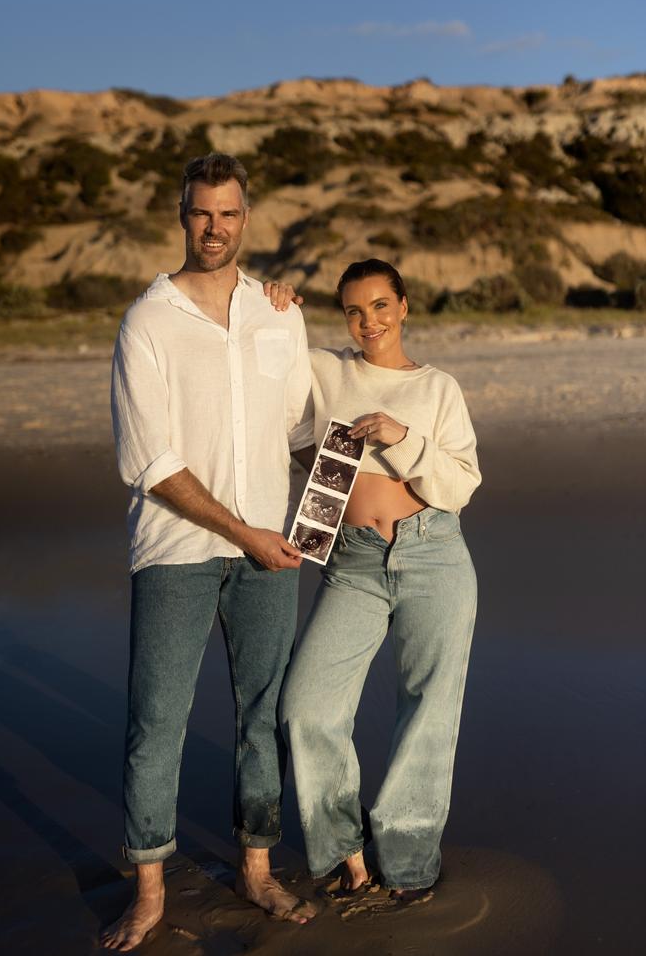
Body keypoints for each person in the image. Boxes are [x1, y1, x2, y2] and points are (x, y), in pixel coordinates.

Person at [102, 152, 316, 951]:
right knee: (156, 721)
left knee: (262, 714)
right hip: (177, 548)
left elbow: (297, 430)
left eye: (229, 214)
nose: (215, 227)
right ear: (181, 213)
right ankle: (150, 888)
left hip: (273, 548)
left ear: (247, 218)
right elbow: (149, 463)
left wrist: (344, 487)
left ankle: (256, 867)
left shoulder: (279, 313)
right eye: (201, 212)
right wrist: (243, 532)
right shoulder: (147, 321)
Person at [280, 258, 481, 904]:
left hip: (434, 556)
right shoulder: (328, 370)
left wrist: (403, 439)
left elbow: (461, 484)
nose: (369, 321)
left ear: (404, 306)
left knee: (429, 711)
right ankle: (345, 849)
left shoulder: (439, 388)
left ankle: (409, 860)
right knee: (307, 706)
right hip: (354, 562)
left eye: (381, 306)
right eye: (354, 311)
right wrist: (274, 303)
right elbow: (272, 368)